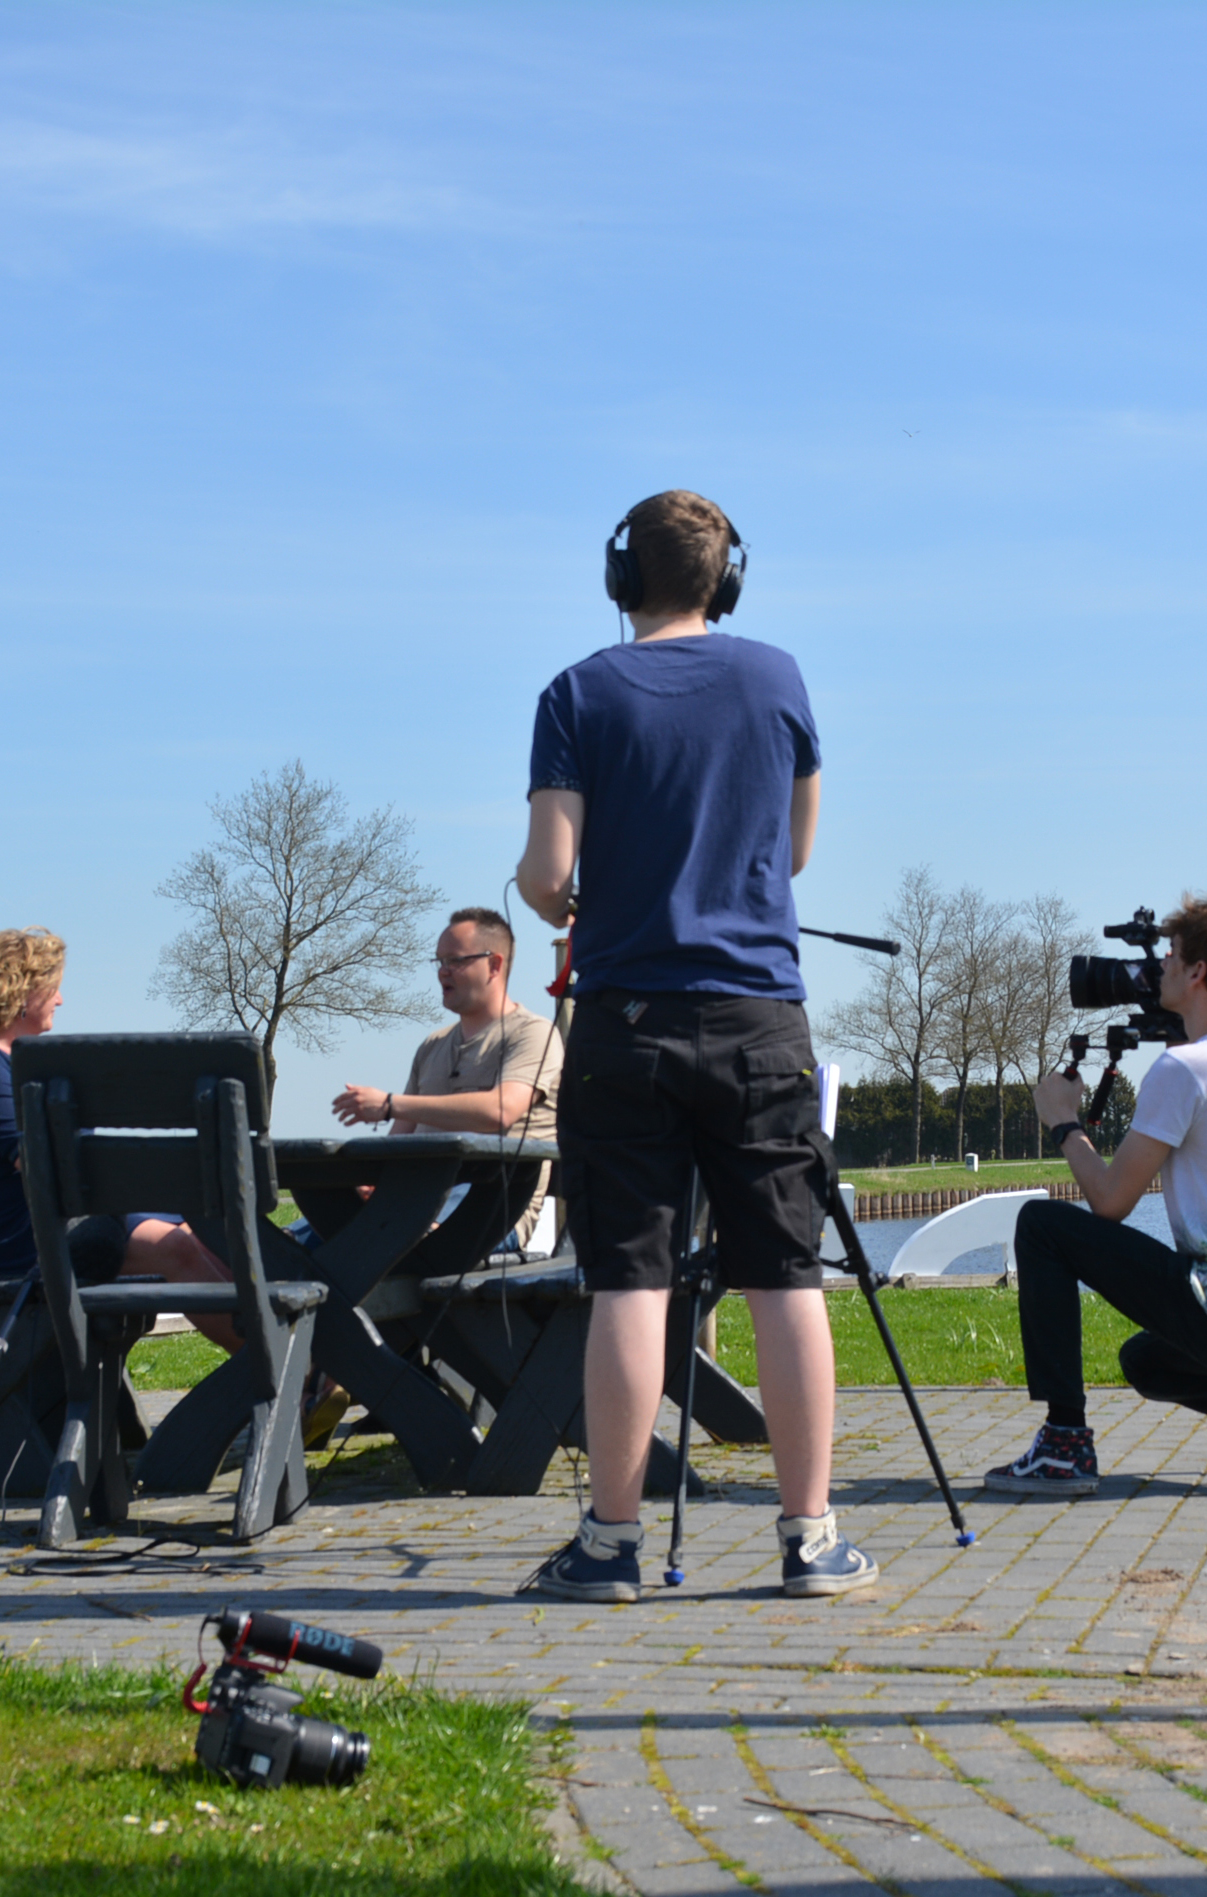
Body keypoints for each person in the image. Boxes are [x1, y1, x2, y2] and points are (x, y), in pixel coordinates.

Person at [513, 488, 875, 1603]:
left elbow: (544, 873)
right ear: (727, 579)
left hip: (627, 1023)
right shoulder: (777, 678)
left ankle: (611, 1543)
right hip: (762, 1017)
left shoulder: (576, 692)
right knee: (785, 1277)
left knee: (629, 1280)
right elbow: (798, 851)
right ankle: (810, 1538)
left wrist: (561, 896)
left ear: (623, 579)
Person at [988, 894, 1207, 1498]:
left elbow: (1110, 1201)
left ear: (1197, 972)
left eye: (1170, 957)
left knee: (1042, 1225)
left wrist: (1063, 1121)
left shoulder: (1185, 1070)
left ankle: (1064, 1447)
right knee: (1145, 1362)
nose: (1159, 970)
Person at [0, 928, 240, 1344]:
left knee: (203, 1237)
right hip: (35, 1242)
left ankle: (297, 1371)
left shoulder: (15, 1064)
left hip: (70, 1223)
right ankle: (283, 1374)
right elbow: (42, 1167)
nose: (60, 999)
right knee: (176, 1248)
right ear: (23, 991)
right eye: (53, 989)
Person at [330, 906, 565, 1251]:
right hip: (406, 1207)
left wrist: (391, 1104)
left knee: (370, 1246)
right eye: (439, 962)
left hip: (487, 1212)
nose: (443, 972)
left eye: (455, 961)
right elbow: (397, 1146)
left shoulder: (533, 1035)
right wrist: (372, 1181)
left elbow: (501, 1111)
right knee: (269, 1248)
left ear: (494, 965)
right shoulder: (432, 1045)